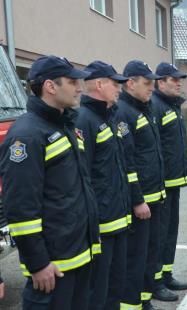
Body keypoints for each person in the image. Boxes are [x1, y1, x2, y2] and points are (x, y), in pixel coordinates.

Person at [0, 55, 100, 309]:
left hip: (79, 255)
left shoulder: (66, 125)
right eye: (72, 81)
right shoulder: (27, 135)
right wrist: (38, 263)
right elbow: (21, 208)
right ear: (50, 86)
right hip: (53, 268)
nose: (79, 87)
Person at [77, 61, 130, 310]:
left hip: (118, 217)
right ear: (99, 84)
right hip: (102, 223)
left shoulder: (108, 116)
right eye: (115, 83)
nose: (120, 88)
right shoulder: (84, 120)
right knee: (98, 289)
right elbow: (83, 176)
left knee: (115, 284)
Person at [116, 60, 165, 310]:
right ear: (130, 83)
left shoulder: (144, 108)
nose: (151, 88)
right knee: (135, 255)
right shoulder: (123, 113)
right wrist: (137, 199)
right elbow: (128, 162)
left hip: (154, 196)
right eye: (147, 83)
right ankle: (131, 303)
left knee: (149, 251)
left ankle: (144, 299)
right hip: (141, 200)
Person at [150, 62, 187, 299]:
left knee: (170, 233)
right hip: (162, 185)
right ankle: (155, 283)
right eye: (174, 79)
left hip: (173, 183)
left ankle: (166, 274)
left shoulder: (171, 106)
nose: (179, 83)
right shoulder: (155, 106)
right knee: (159, 235)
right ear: (160, 82)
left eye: (179, 79)